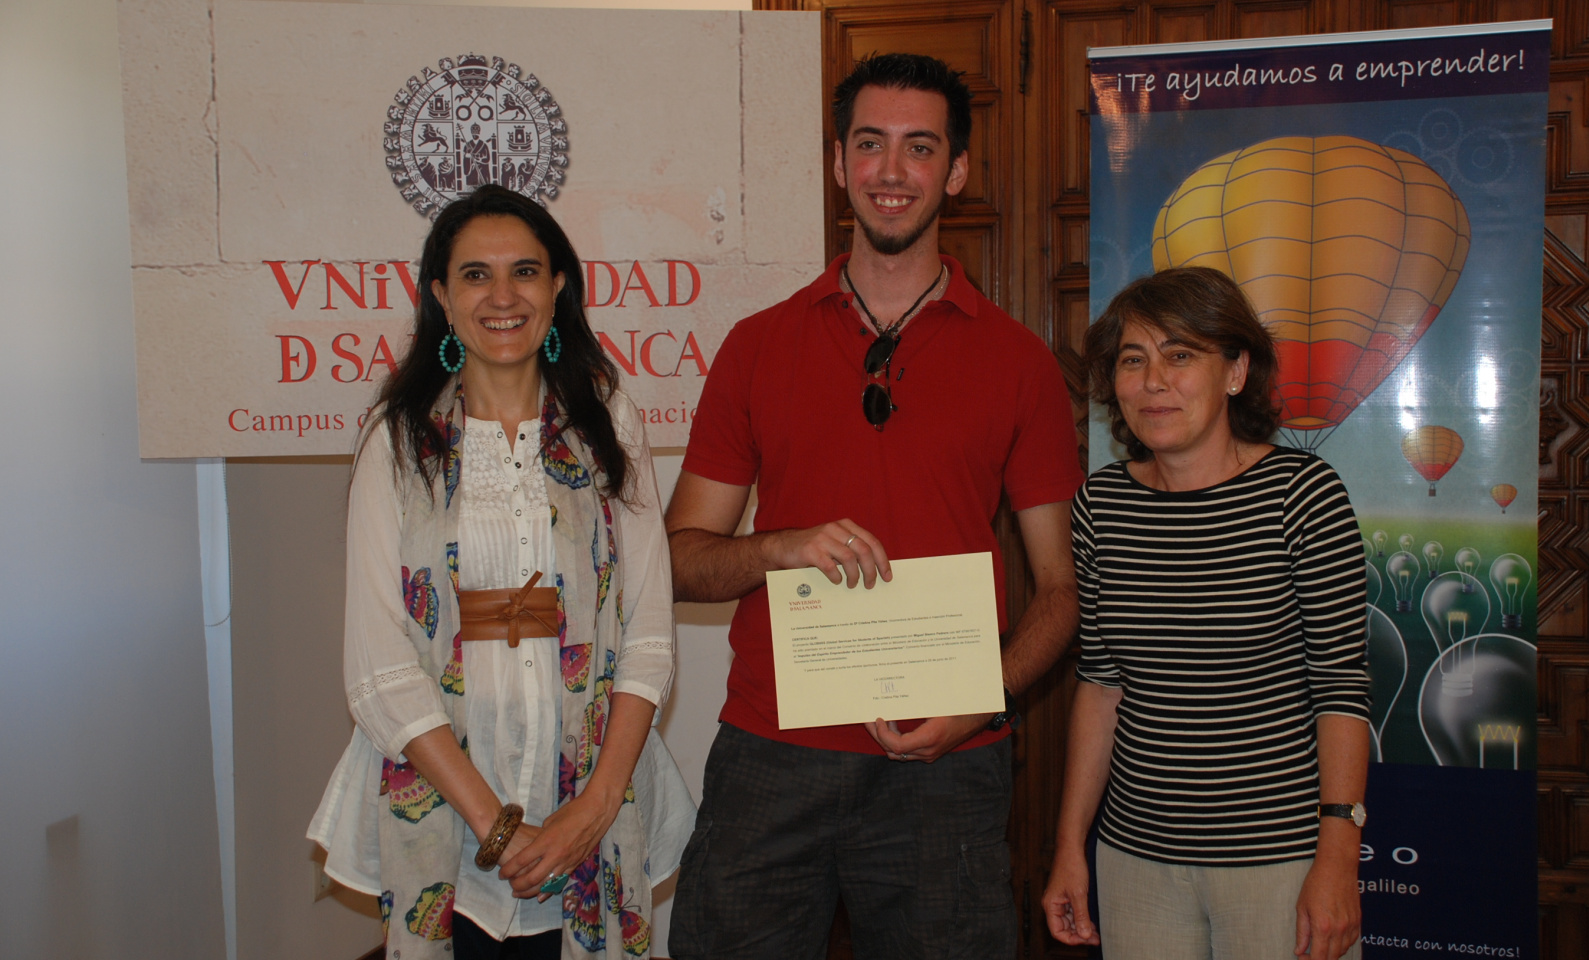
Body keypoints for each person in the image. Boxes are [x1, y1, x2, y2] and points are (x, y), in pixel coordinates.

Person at [664, 52, 1084, 960]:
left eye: (919, 148)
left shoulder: (1019, 364)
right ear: (838, 163)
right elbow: (680, 557)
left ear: (956, 172)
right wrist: (777, 548)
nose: (892, 172)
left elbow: (1060, 591)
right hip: (771, 756)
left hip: (947, 773)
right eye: (870, 145)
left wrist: (982, 700)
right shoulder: (756, 346)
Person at [309, 184, 694, 960]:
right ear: (441, 296)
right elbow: (378, 666)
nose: (503, 295)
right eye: (476, 275)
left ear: (558, 287)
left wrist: (593, 806)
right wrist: (499, 826)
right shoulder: (396, 439)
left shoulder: (610, 422)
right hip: (451, 820)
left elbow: (648, 631)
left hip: (593, 803)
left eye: (525, 270)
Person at [1041, 266, 1369, 960]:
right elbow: (1101, 685)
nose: (1153, 381)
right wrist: (1072, 847)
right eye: (1134, 360)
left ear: (1236, 371)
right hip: (1137, 862)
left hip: (1281, 863)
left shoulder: (1302, 495)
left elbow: (1341, 690)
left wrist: (1338, 857)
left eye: (1180, 355)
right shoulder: (1101, 507)